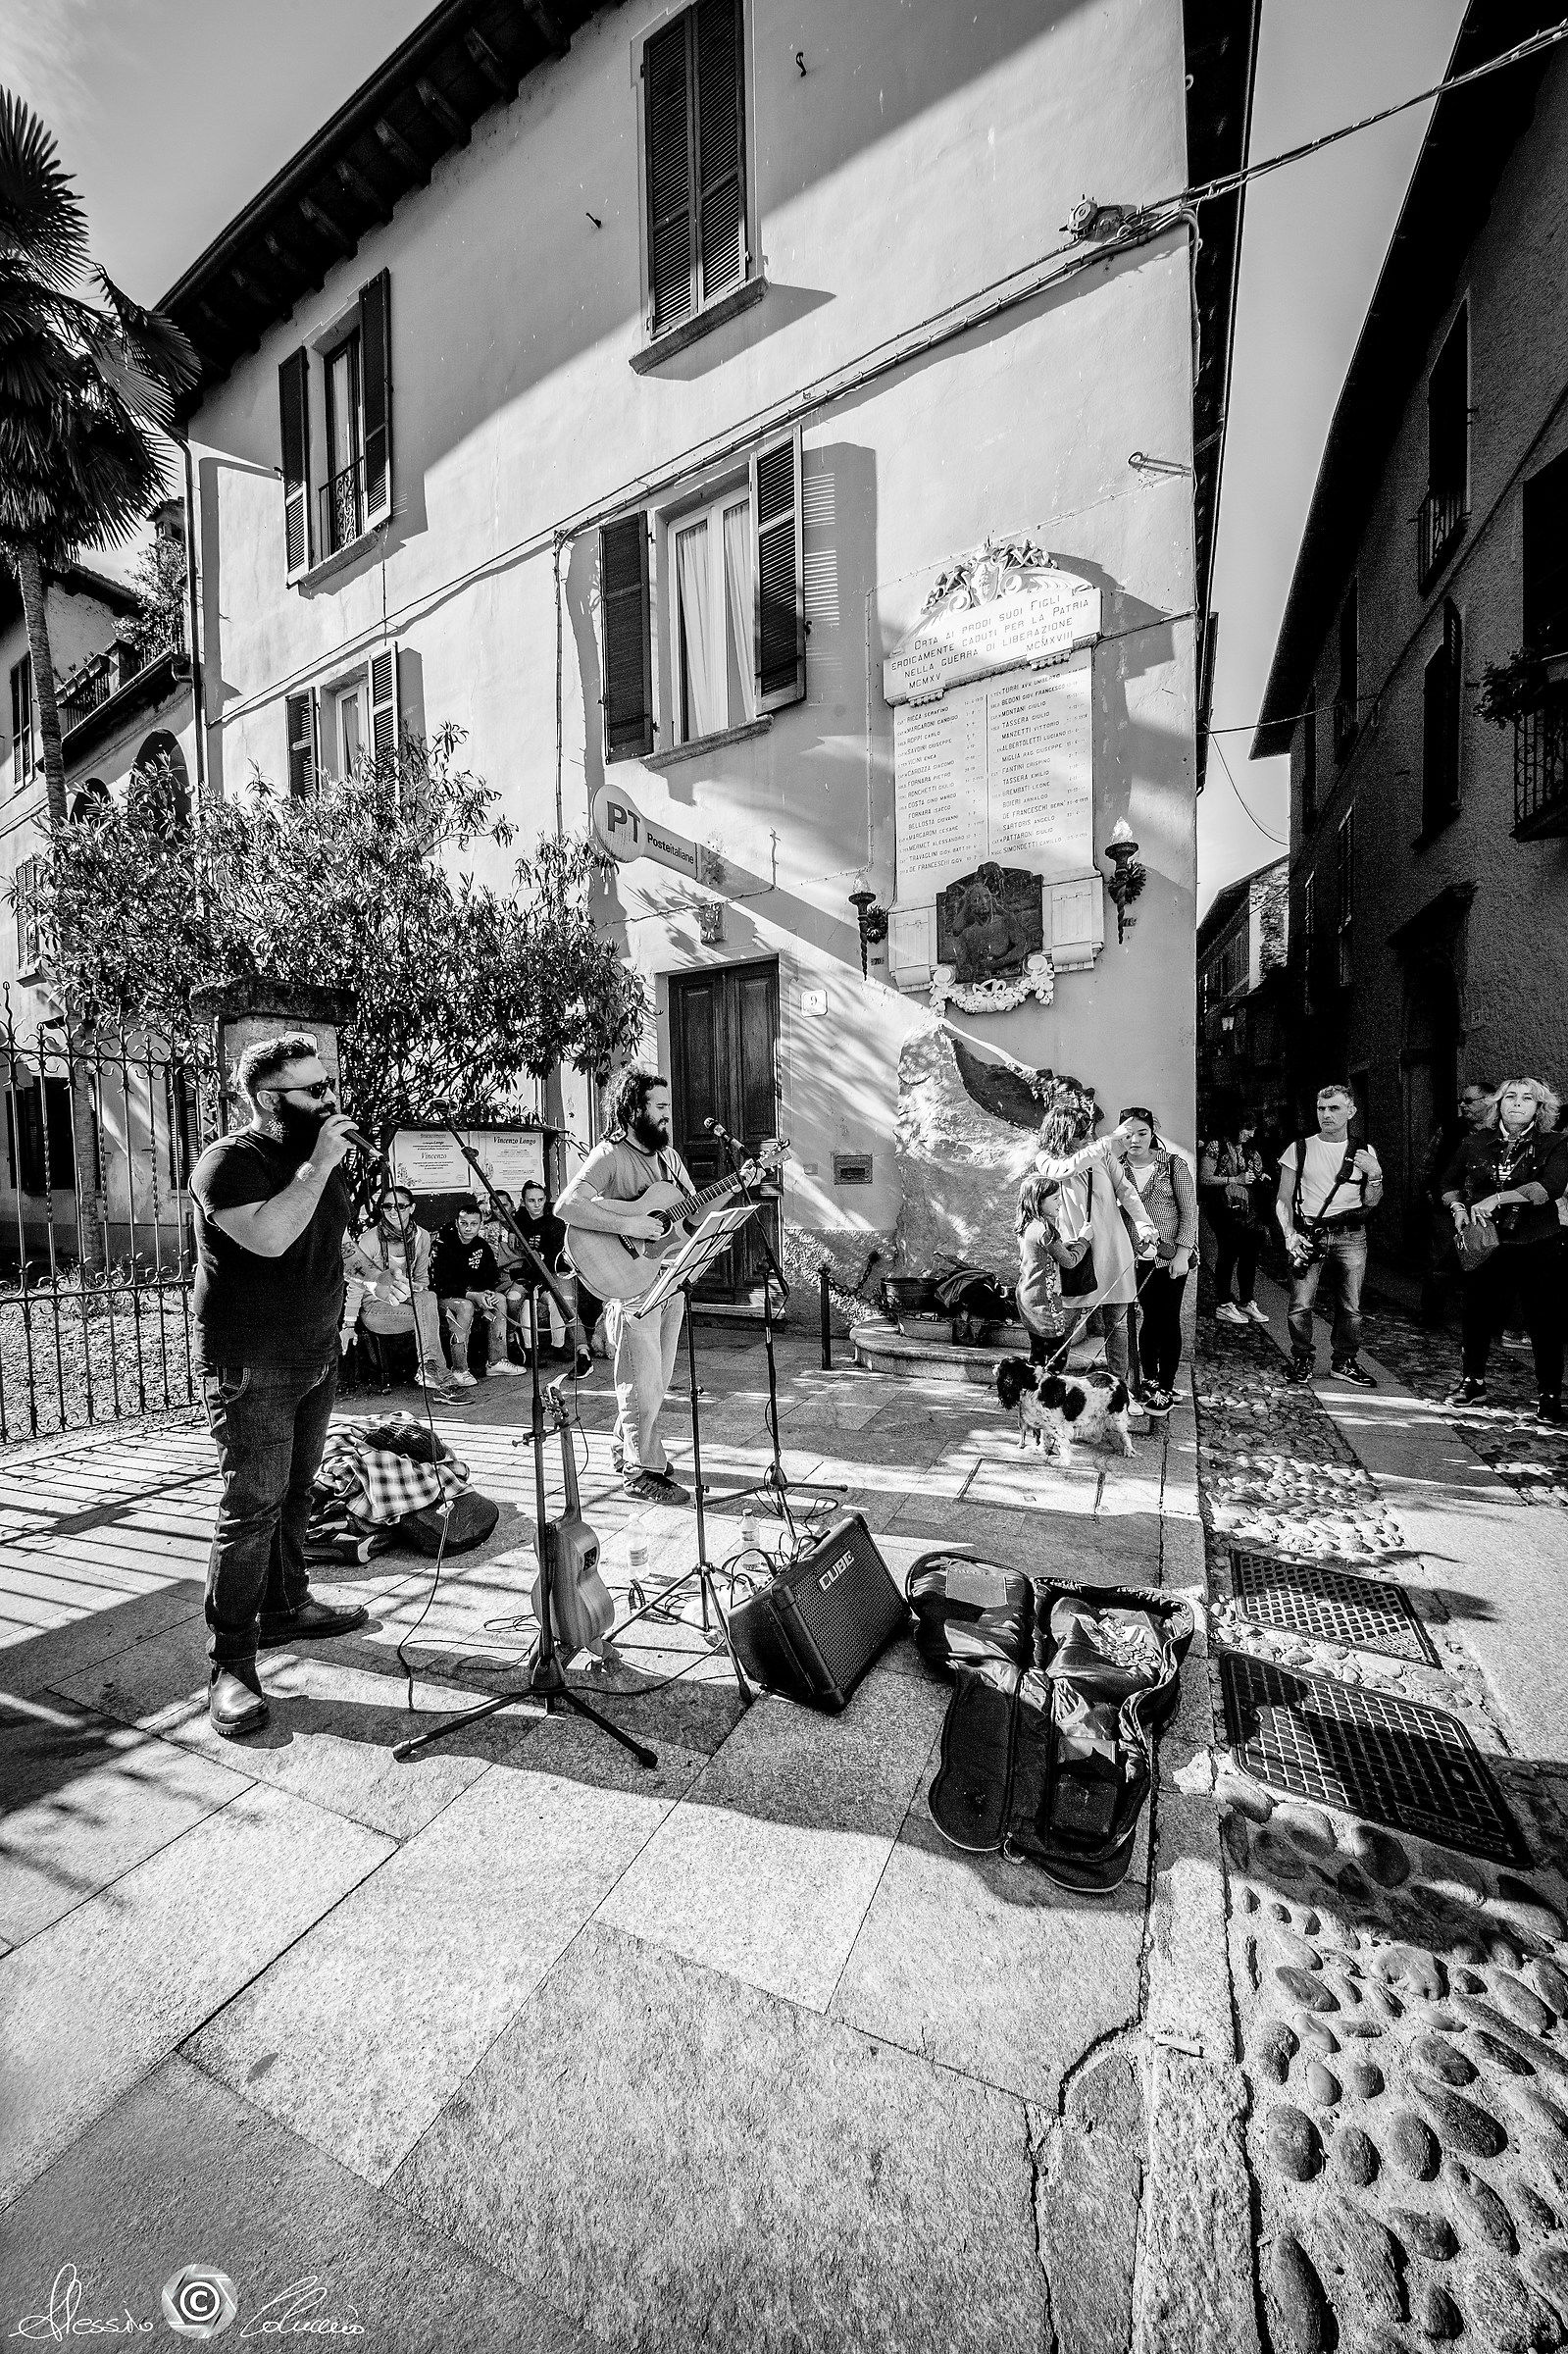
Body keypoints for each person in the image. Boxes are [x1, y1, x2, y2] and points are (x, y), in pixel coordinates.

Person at [189, 1033, 369, 1739]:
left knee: (298, 1491)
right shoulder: (229, 1163)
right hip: (252, 1362)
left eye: (329, 1085)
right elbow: (267, 1238)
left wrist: (365, 1268)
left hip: (315, 1353)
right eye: (314, 1090)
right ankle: (230, 1663)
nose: (331, 1101)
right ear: (269, 1099)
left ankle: (288, 1606)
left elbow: (327, 1235)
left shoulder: (314, 1162)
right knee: (251, 1508)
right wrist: (321, 1164)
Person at [556, 1069, 693, 1503]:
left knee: (659, 1376)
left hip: (667, 1275)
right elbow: (567, 1206)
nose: (668, 1116)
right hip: (630, 1283)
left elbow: (690, 1212)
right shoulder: (609, 1155)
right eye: (660, 1108)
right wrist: (630, 1222)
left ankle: (627, 1445)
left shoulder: (669, 1159)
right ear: (634, 1110)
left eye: (668, 1107)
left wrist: (744, 1179)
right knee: (641, 1376)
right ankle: (641, 1468)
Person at [1438, 1076, 1568, 1420]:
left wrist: (1498, 1197)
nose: (1517, 1103)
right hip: (1487, 1242)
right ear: (1498, 1104)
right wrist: (1458, 1208)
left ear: (1540, 1109)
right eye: (1510, 1097)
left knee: (1544, 1319)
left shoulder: (1555, 1143)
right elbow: (1448, 1182)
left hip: (1537, 1241)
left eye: (1527, 1099)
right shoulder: (1475, 1143)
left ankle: (1550, 1394)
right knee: (1477, 1313)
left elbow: (1549, 1188)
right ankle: (1473, 1381)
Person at [1033, 1074, 1158, 1387]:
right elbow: (1066, 1169)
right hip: (1078, 1249)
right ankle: (1050, 1379)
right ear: (1064, 1135)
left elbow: (1126, 1191)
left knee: (1118, 1323)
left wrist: (1143, 1223)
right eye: (1081, 1134)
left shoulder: (1100, 1156)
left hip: (1113, 1247)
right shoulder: (1046, 1159)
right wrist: (1105, 1142)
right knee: (1068, 1321)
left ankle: (1117, 1384)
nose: (1086, 1138)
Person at [1275, 1083, 1383, 1387]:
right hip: (1310, 1234)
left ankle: (1344, 1362)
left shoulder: (1363, 1151)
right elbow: (1283, 1198)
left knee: (1351, 1305)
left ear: (1351, 1111)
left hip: (1352, 1235)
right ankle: (1302, 1358)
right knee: (1300, 1304)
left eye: (1334, 1108)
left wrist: (1375, 1174)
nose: (1326, 1115)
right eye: (1321, 1108)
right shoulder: (1299, 1148)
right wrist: (1289, 1234)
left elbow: (1372, 1202)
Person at [1114, 1107, 1197, 1416]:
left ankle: (1166, 1383)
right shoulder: (1116, 1167)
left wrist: (1182, 1253)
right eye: (1128, 1134)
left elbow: (1189, 1212)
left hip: (1169, 1257)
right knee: (1146, 1318)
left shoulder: (1173, 1165)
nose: (1134, 1140)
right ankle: (1147, 1380)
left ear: (1152, 1132)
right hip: (1133, 1259)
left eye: (1141, 1133)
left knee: (1168, 1318)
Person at [342, 1182, 453, 1395]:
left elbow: (421, 1277)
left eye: (400, 1206)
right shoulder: (371, 1239)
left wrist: (416, 1287)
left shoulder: (422, 1237)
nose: (393, 1211)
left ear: (411, 1208)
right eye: (387, 1207)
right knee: (428, 1318)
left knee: (428, 1298)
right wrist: (348, 1324)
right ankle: (443, 1379)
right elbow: (357, 1283)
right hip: (375, 1307)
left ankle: (431, 1370)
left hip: (405, 1296)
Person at [1419, 1079, 1494, 1325]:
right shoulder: (1451, 1129)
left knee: (1485, 1259)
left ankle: (1481, 1317)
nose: (1462, 1105)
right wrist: (1432, 1193)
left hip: (1484, 1207)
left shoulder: (1498, 1132)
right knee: (1442, 1259)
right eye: (1461, 1100)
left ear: (1488, 1101)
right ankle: (1432, 1314)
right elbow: (1428, 1164)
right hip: (1446, 1206)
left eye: (1469, 1100)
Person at [430, 1205, 526, 1387]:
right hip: (446, 1298)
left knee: (499, 1299)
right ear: (456, 1223)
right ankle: (459, 1370)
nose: (468, 1228)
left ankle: (497, 1361)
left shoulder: (481, 1245)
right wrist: (473, 1295)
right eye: (464, 1223)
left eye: (473, 1224)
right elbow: (440, 1284)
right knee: (465, 1306)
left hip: (474, 1295)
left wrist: (487, 1292)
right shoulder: (443, 1245)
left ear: (480, 1224)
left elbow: (490, 1275)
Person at [1199, 1120, 1269, 1327]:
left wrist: (1259, 1177)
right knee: (1228, 1252)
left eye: (1254, 1129)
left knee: (1250, 1254)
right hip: (1222, 1208)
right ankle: (1224, 1303)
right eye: (1248, 1128)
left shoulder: (1249, 1149)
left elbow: (1253, 1174)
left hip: (1248, 1208)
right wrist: (1234, 1179)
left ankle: (1247, 1300)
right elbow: (1204, 1178)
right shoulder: (1216, 1146)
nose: (1251, 1134)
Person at [1015, 1174, 1087, 1361]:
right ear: (1039, 1202)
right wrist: (1083, 1241)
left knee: (1038, 1353)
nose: (1060, 1203)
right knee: (1057, 1356)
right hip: (1044, 1302)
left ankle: (1033, 1388)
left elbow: (1047, 1252)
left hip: (1027, 1296)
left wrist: (1066, 1244)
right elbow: (1069, 1261)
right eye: (1055, 1198)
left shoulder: (1028, 1225)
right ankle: (1047, 1389)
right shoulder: (1045, 1230)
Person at [515, 1178, 573, 1356]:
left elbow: (556, 1253)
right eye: (531, 1201)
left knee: (558, 1299)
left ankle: (559, 1345)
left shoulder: (554, 1221)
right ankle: (530, 1348)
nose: (537, 1205)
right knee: (521, 1300)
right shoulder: (520, 1220)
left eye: (540, 1200)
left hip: (550, 1271)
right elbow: (516, 1217)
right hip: (527, 1274)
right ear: (523, 1202)